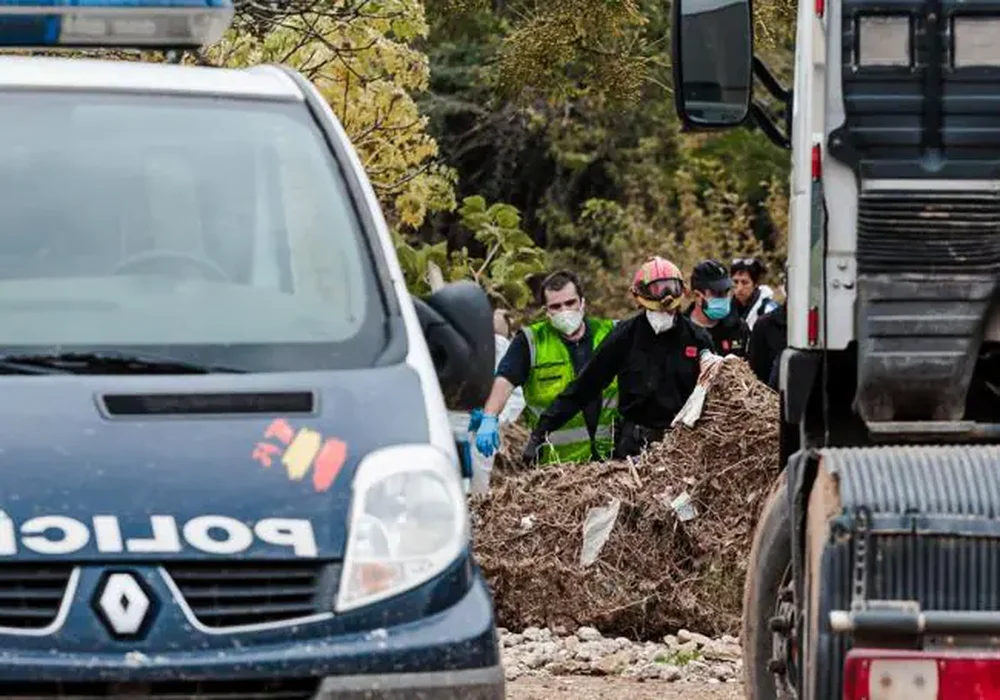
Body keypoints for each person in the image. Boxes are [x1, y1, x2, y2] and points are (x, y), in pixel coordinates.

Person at [523, 257, 724, 462]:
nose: (666, 298)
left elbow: (712, 395)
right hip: (634, 447)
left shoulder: (698, 339)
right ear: (639, 295)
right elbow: (585, 386)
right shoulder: (625, 336)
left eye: (671, 288)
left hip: (682, 446)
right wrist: (541, 431)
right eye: (658, 289)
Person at [472, 270, 619, 465]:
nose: (564, 311)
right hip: (558, 467)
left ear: (582, 302)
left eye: (570, 303)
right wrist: (490, 417)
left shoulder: (611, 333)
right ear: (546, 311)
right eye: (556, 306)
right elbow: (505, 380)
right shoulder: (531, 341)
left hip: (614, 460)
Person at [685, 259, 749, 357]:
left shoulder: (738, 329)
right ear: (698, 296)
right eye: (718, 293)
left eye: (727, 291)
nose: (724, 298)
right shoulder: (681, 331)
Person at [731, 257, 779, 331]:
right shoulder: (728, 309)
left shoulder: (769, 311)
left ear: (755, 284)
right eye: (735, 282)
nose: (739, 288)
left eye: (745, 282)